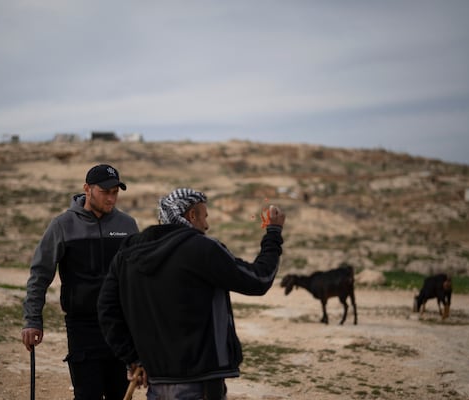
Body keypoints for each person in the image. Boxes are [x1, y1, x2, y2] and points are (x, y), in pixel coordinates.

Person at [97, 188, 285, 399]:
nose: (206, 225)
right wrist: (273, 234)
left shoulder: (127, 254)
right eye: (204, 216)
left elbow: (106, 309)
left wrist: (133, 358)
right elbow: (258, 280)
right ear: (191, 215)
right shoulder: (202, 248)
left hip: (157, 381)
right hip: (199, 382)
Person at [22, 164, 139, 400]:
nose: (111, 197)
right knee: (87, 394)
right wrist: (32, 319)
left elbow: (138, 277)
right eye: (105, 191)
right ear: (87, 189)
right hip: (82, 325)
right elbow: (40, 275)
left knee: (120, 394)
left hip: (120, 325)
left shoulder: (127, 225)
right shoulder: (62, 225)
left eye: (115, 192)